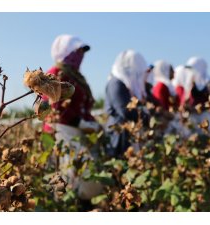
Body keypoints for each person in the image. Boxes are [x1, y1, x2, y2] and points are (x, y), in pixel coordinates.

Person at [42, 34, 102, 201]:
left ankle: (77, 206)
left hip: (75, 130)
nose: (80, 56)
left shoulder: (77, 76)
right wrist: (82, 123)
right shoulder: (55, 73)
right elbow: (56, 109)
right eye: (76, 52)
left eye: (82, 53)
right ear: (65, 52)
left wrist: (94, 124)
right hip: (60, 131)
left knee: (82, 174)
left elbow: (83, 106)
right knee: (67, 176)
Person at [105, 49, 149, 157]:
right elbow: (125, 111)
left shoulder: (124, 83)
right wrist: (147, 116)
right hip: (119, 137)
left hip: (126, 134)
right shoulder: (116, 83)